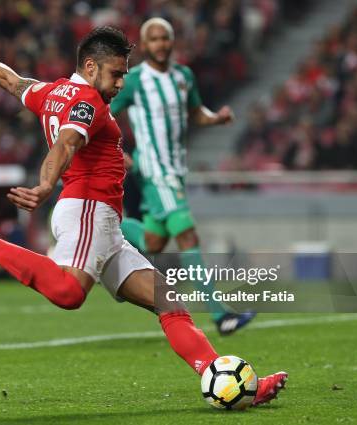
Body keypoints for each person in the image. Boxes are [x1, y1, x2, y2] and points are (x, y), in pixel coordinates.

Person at [0, 26, 286, 405]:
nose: (122, 82)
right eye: (116, 73)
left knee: (168, 299)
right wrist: (46, 183)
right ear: (90, 67)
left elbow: (12, 82)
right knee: (67, 292)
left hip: (103, 222)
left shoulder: (52, 92)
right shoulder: (87, 101)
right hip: (88, 208)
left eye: (125, 73)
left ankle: (237, 386)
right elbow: (67, 142)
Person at [110, 18, 255, 335]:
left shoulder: (183, 76)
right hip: (154, 171)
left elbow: (195, 112)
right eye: (154, 39)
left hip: (175, 171)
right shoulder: (134, 81)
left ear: (172, 42)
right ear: (144, 45)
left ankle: (107, 243)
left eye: (165, 38)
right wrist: (115, 149)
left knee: (153, 241)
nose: (161, 44)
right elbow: (104, 112)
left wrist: (215, 119)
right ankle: (220, 315)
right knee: (188, 237)